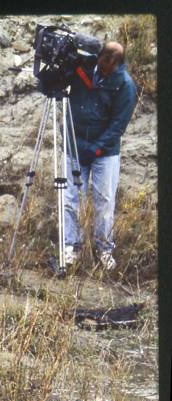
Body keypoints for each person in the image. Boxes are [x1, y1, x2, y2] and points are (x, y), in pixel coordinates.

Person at [50, 41, 137, 270]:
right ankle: (72, 246)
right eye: (102, 65)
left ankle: (103, 248)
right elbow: (52, 86)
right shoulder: (84, 68)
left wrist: (96, 149)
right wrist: (51, 76)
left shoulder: (125, 85)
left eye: (109, 68)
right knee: (70, 197)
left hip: (104, 152)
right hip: (74, 144)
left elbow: (118, 127)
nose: (104, 71)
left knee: (104, 201)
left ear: (117, 64)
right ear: (99, 57)